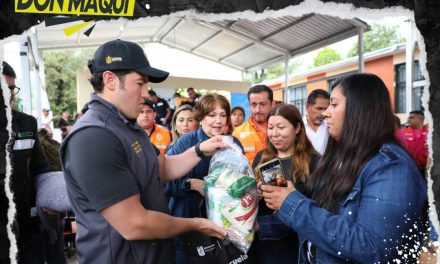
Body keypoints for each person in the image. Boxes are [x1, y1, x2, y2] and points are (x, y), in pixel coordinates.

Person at [59, 39, 226, 264]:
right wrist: (195, 224)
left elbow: (162, 168)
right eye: (140, 83)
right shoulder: (93, 137)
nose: (146, 93)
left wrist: (200, 150)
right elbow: (135, 224)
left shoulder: (128, 126)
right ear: (110, 80)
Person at [261, 73, 427, 263]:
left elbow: (372, 247)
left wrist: (292, 203)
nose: (326, 113)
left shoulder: (390, 167)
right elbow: (321, 216)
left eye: (334, 104)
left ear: (359, 109)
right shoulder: (342, 157)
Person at [164, 93, 243, 264]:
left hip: (224, 227)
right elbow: (164, 183)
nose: (218, 121)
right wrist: (191, 184)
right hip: (188, 227)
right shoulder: (185, 142)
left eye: (223, 115)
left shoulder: (233, 144)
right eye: (212, 115)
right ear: (200, 118)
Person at [1, 63, 63, 264]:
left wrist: (55, 199)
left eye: (11, 88)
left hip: (27, 221)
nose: (8, 93)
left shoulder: (27, 123)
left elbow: (41, 169)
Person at [251, 103, 319, 264]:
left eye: (281, 127)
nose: (274, 134)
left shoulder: (314, 162)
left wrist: (263, 226)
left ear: (297, 128)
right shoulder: (262, 157)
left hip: (294, 248)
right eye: (271, 127)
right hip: (261, 247)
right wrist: (255, 193)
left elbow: (315, 212)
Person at [233, 85, 273, 164]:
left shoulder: (280, 129)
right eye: (253, 105)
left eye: (262, 104)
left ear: (272, 104)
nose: (258, 110)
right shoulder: (237, 132)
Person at [303, 89, 330, 155]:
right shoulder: (299, 127)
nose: (323, 113)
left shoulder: (330, 126)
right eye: (319, 109)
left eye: (326, 109)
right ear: (307, 107)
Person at [403, 110, 429, 175]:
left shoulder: (430, 131)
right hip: (409, 169)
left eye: (411, 118)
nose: (408, 120)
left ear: (420, 118)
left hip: (427, 170)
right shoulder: (403, 132)